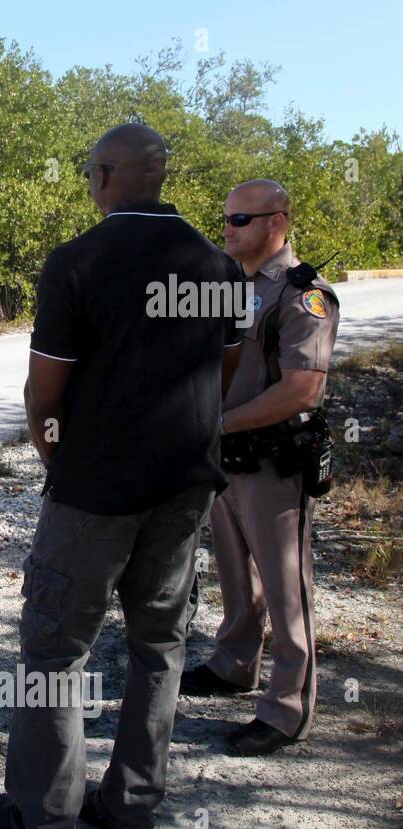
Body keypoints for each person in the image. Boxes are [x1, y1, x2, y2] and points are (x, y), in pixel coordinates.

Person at [0, 124, 245, 829]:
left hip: (96, 489)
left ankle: (44, 821)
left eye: (89, 172)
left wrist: (57, 457)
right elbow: (220, 374)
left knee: (54, 651)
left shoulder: (78, 261)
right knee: (160, 645)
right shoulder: (216, 266)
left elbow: (45, 396)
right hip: (184, 483)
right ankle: (132, 810)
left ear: (104, 175)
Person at [179, 180, 340, 757]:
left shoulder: (304, 296)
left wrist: (218, 424)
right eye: (225, 217)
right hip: (228, 460)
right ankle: (233, 664)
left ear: (277, 222)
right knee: (235, 577)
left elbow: (301, 389)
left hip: (275, 465)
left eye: (240, 219)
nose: (227, 228)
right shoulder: (231, 286)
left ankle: (288, 709)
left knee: (287, 587)